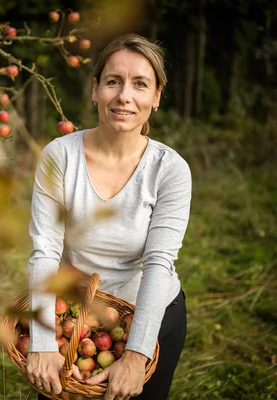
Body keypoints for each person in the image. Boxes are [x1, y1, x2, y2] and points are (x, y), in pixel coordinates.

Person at [25, 33, 191, 400]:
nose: (124, 96)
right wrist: (42, 342)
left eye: (140, 84)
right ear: (95, 89)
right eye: (113, 82)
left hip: (150, 318)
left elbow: (158, 264)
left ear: (157, 96)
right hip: (74, 323)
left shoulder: (170, 170)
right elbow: (45, 250)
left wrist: (136, 355)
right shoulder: (60, 156)